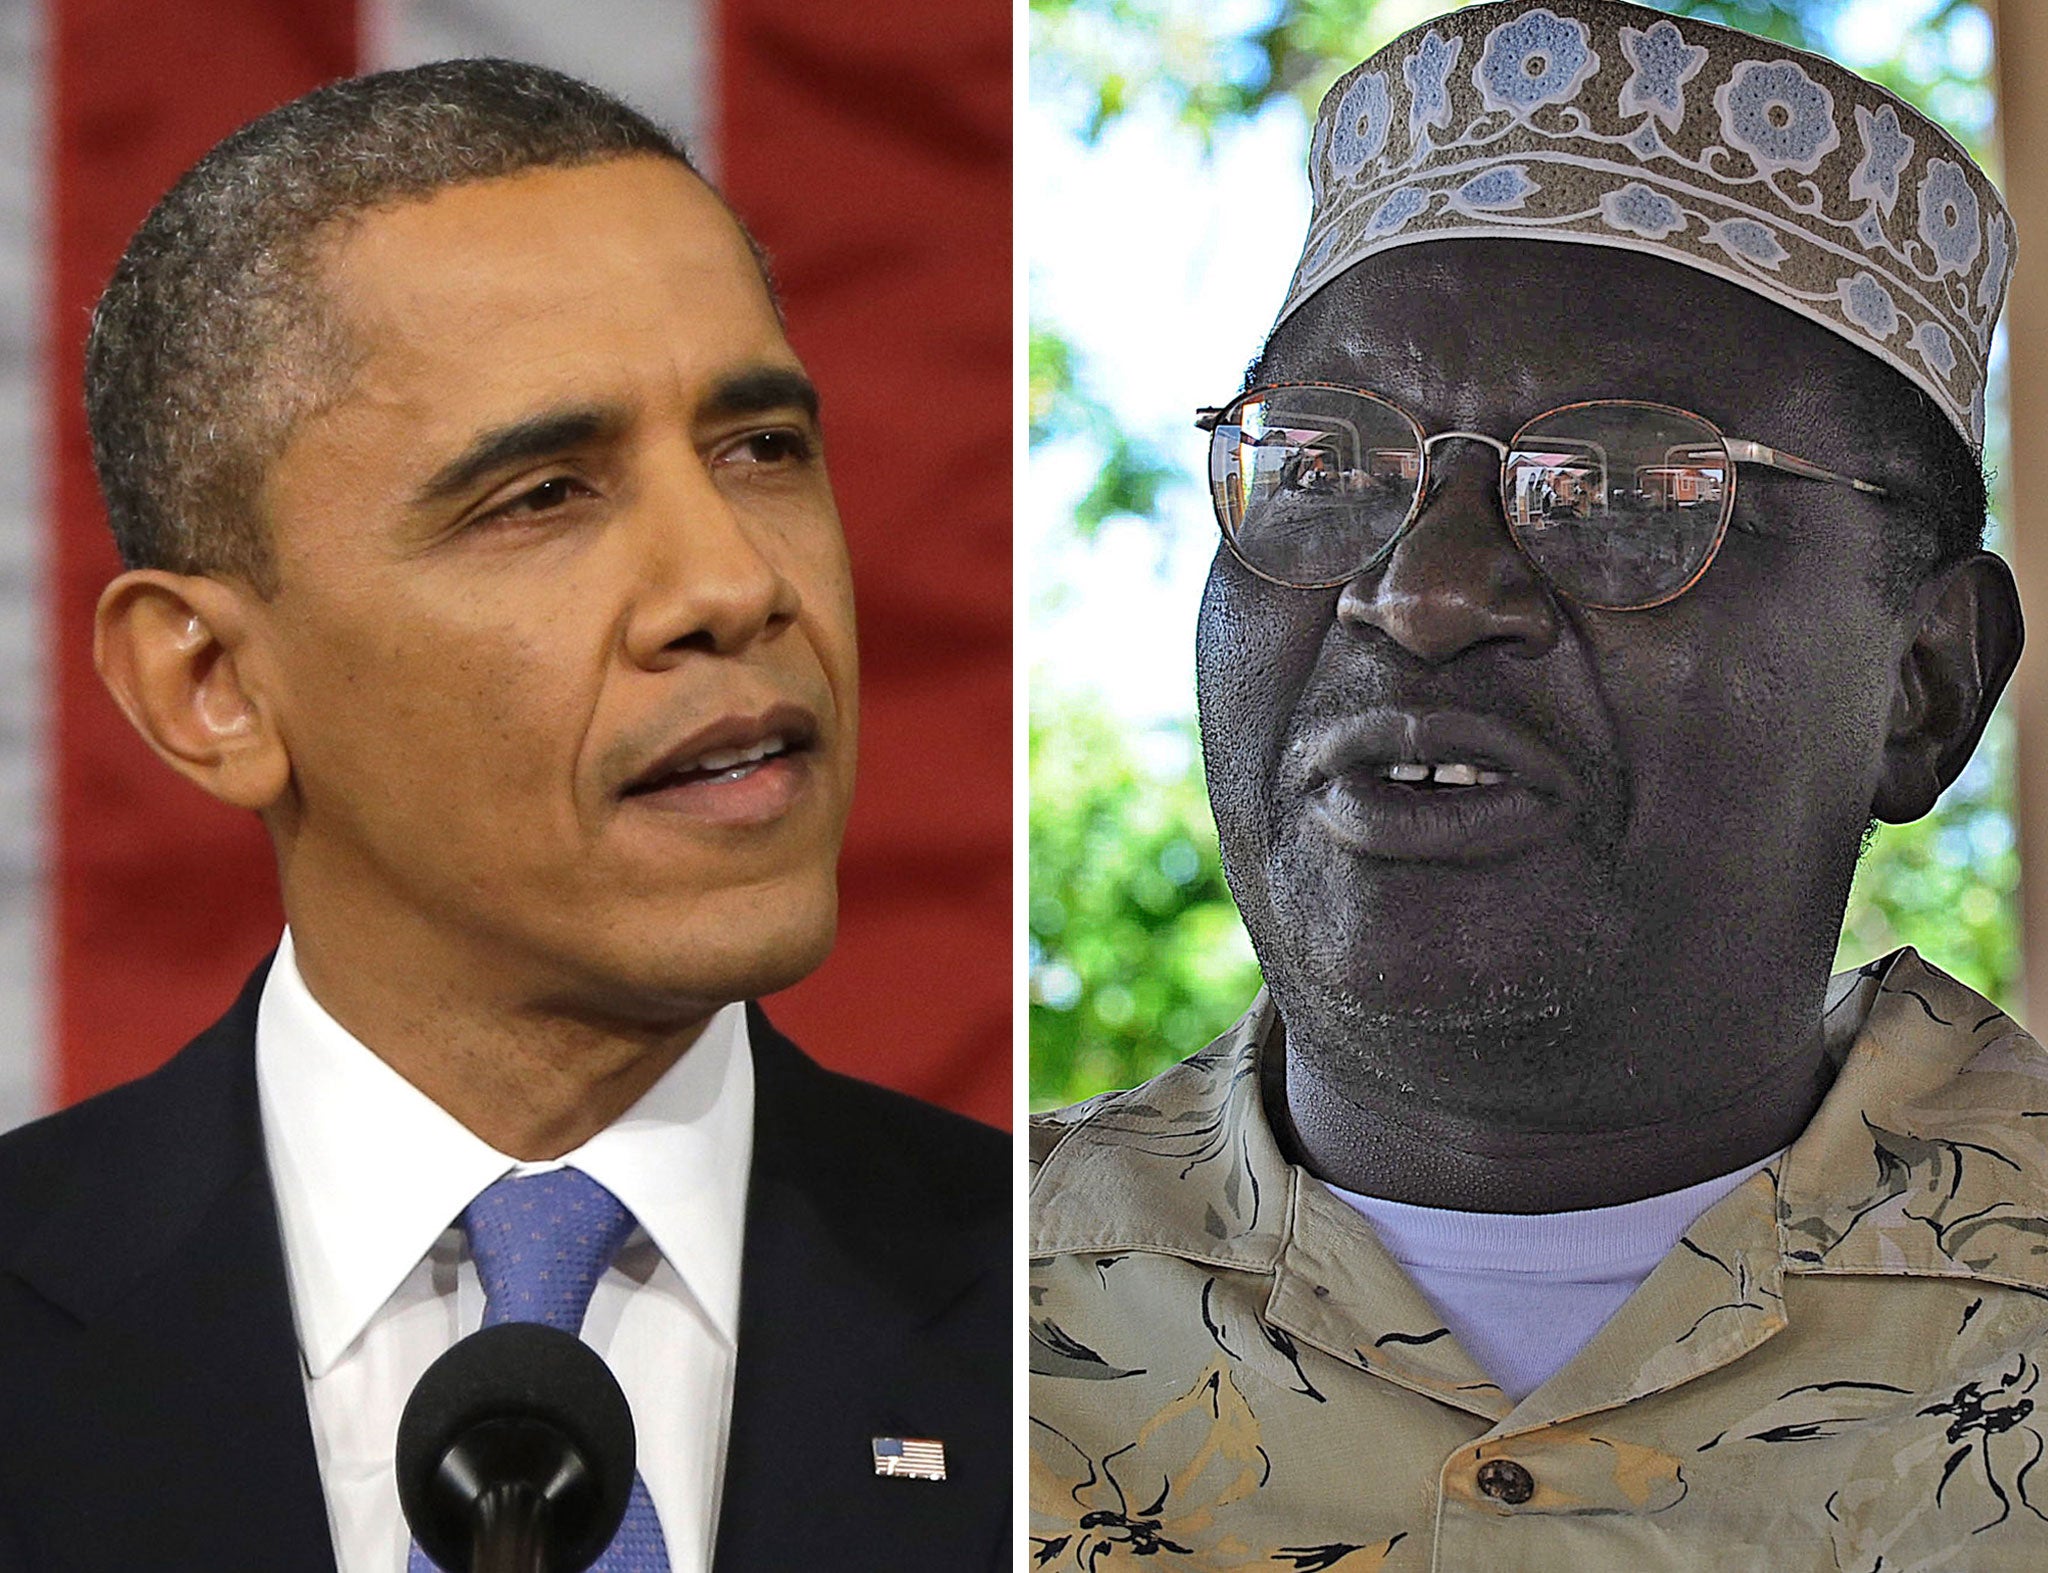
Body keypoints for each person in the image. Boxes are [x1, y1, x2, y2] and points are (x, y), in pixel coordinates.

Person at [1030, 3, 2043, 1567]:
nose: (1425, 590)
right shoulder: (940, 1316)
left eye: (1630, 488)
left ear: (1925, 685)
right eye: (1320, 467)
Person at [0, 60, 1006, 1573]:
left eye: (763, 448)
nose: (734, 582)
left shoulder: (1099, 1329)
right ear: (211, 684)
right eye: (541, 494)